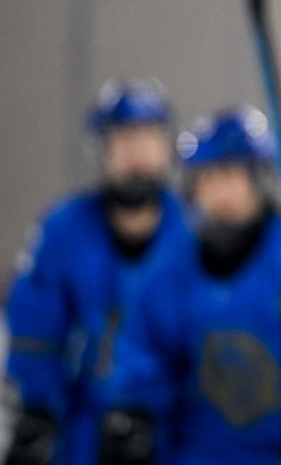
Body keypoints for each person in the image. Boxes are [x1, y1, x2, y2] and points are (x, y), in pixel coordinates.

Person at [99, 105, 281, 464]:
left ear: (259, 181)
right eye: (208, 178)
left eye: (232, 176)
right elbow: (144, 353)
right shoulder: (172, 270)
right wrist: (134, 415)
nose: (221, 193)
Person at [4, 79, 189, 465]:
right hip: (83, 427)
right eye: (124, 143)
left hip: (178, 429)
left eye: (148, 142)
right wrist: (37, 410)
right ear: (103, 151)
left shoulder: (195, 234)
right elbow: (36, 330)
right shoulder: (64, 229)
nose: (137, 158)